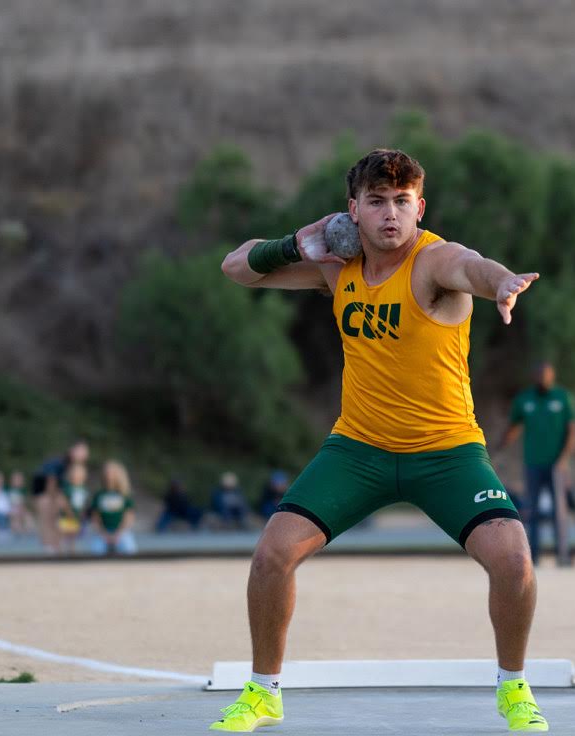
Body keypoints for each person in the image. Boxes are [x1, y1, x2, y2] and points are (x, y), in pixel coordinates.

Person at [215, 149, 547, 732]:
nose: (390, 215)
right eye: (376, 202)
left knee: (514, 559)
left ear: (420, 206)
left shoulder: (432, 261)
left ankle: (514, 688)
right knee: (272, 554)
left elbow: (471, 266)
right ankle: (264, 692)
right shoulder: (337, 266)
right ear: (354, 211)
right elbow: (237, 268)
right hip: (359, 449)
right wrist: (300, 242)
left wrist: (503, 284)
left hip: (446, 453)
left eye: (401, 202)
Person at [499, 361, 575, 565]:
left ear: (552, 376)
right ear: (534, 377)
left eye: (547, 375)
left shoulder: (563, 397)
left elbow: (572, 430)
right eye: (540, 375)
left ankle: (562, 555)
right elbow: (515, 426)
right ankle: (533, 556)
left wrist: (563, 459)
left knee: (558, 511)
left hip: (556, 464)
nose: (543, 379)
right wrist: (501, 445)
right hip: (533, 462)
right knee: (531, 510)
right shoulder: (525, 399)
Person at [88, 460, 137, 555]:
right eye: (106, 472)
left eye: (111, 472)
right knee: (95, 551)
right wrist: (103, 534)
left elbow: (129, 517)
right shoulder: (99, 495)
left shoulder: (124, 495)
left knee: (129, 549)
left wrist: (119, 533)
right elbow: (95, 517)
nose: (108, 475)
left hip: (121, 531)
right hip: (103, 532)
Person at [58, 463, 89, 553]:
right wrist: (68, 511)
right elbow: (63, 501)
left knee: (75, 536)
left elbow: (84, 503)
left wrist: (83, 513)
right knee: (66, 535)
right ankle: (62, 552)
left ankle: (73, 552)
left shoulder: (83, 489)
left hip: (78, 517)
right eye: (74, 473)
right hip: (67, 517)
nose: (76, 475)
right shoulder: (68, 488)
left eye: (79, 473)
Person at [6, 470, 32, 535]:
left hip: (21, 509)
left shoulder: (23, 491)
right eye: (16, 479)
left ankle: (26, 531)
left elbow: (24, 503)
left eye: (20, 480)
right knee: (15, 517)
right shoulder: (7, 489)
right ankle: (17, 531)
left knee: (28, 516)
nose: (18, 481)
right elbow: (5, 502)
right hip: (10, 509)